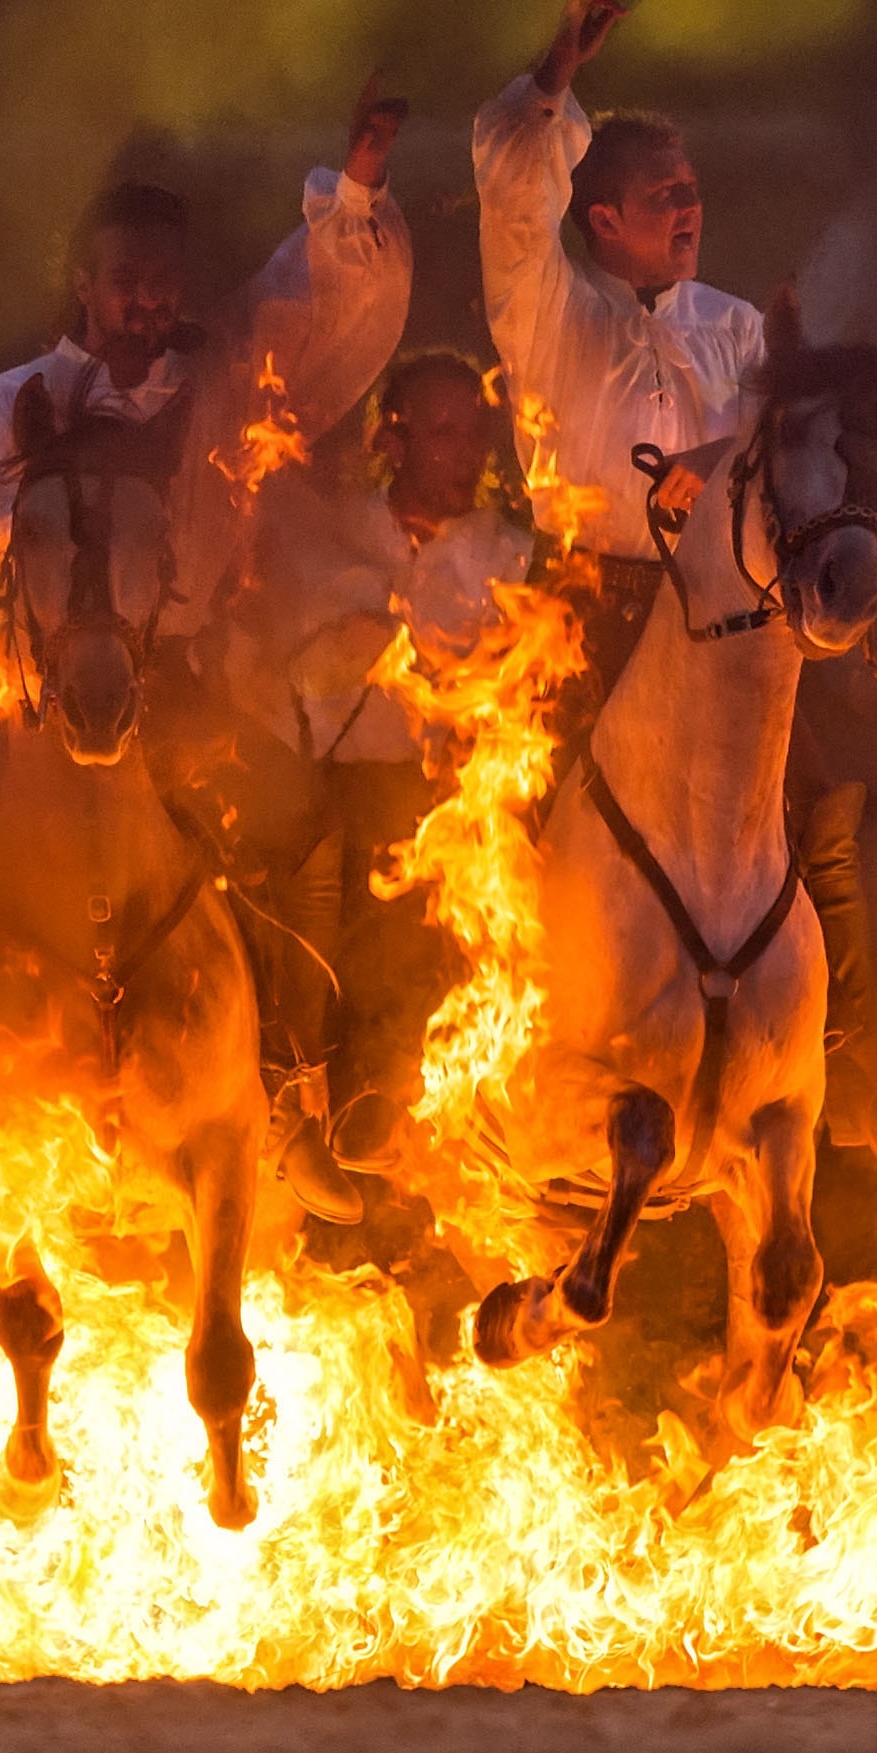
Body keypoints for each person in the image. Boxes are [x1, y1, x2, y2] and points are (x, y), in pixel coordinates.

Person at [0, 78, 413, 1202]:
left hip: (178, 683)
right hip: (33, 688)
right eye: (125, 278)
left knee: (284, 832)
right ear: (85, 283)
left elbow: (318, 298)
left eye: (162, 279)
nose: (145, 298)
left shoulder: (221, 377)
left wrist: (358, 178)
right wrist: (15, 547)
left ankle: (283, 1096)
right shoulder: (14, 402)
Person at [473, 0, 871, 1033]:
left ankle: (843, 1038)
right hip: (582, 603)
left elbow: (787, 445)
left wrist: (717, 447)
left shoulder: (737, 326)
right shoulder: (545, 306)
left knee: (819, 794)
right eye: (665, 195)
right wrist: (560, 64)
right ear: (601, 217)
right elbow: (513, 190)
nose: (690, 208)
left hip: (726, 610)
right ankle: (483, 1037)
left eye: (692, 190)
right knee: (506, 807)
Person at [229, 349, 531, 1199]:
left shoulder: (507, 555)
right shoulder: (332, 534)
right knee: (298, 869)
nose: (466, 451)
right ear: (392, 443)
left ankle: (410, 1105)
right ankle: (297, 1102)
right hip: (324, 781)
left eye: (475, 432)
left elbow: (517, 688)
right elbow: (285, 664)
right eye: (443, 432)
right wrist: (348, 649)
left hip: (444, 792)